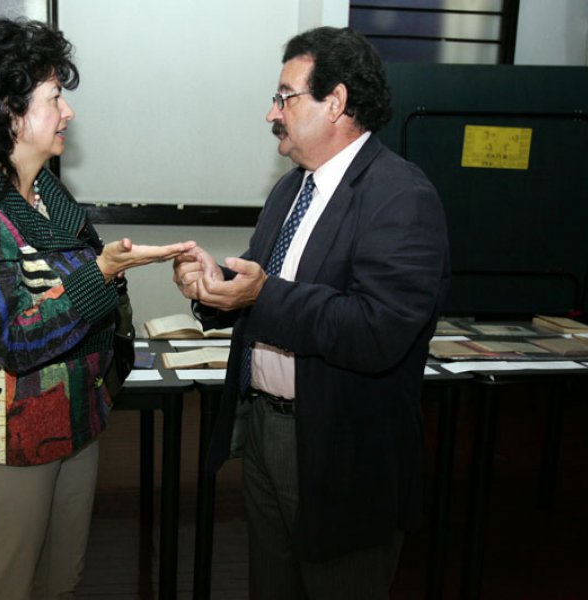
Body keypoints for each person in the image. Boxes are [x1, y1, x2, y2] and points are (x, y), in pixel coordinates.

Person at [173, 27, 450, 599]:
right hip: (265, 432)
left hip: (341, 449)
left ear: (336, 102)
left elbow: (376, 330)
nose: (271, 112)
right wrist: (214, 285)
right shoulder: (292, 189)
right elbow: (268, 280)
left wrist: (260, 295)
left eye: (285, 97)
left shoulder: (401, 195)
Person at [0, 19, 194, 600]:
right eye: (54, 97)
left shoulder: (48, 196)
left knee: (59, 584)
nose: (68, 112)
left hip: (76, 426)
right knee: (5, 589)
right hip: (13, 444)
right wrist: (103, 272)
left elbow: (75, 298)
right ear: (9, 112)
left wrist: (110, 269)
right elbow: (16, 340)